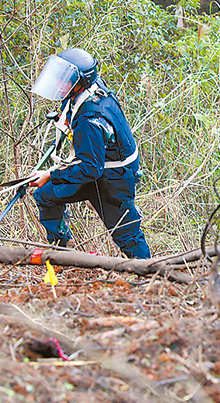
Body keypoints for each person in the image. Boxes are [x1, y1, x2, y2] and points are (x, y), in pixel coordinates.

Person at [28, 48, 151, 259]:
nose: (58, 84)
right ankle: (61, 252)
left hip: (114, 180)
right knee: (45, 194)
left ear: (80, 83)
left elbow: (90, 169)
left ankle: (151, 277)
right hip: (93, 168)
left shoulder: (90, 121)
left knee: (128, 237)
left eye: (64, 81)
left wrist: (50, 174)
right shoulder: (90, 90)